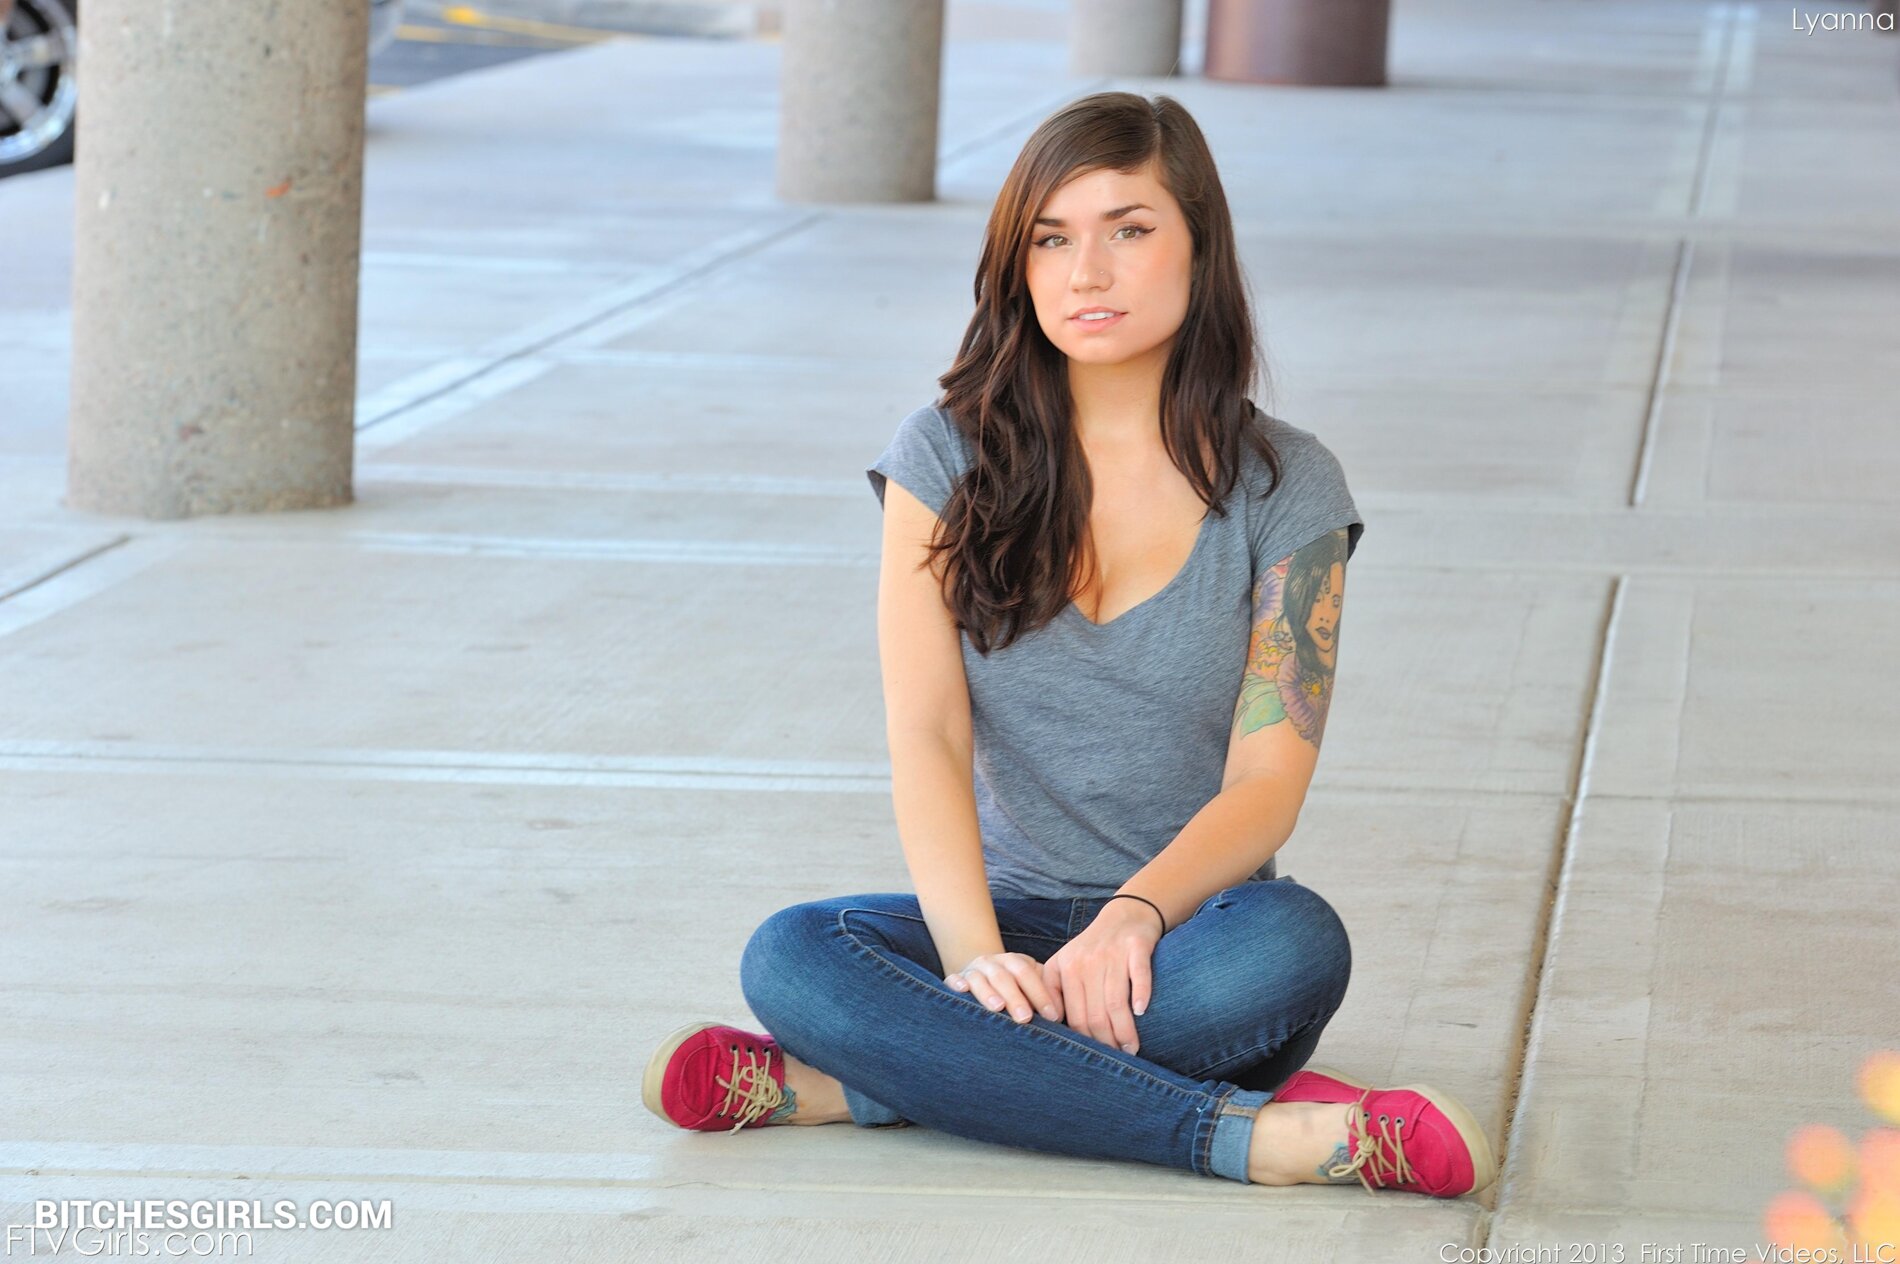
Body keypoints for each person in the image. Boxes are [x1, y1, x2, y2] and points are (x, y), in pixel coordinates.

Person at [642, 91, 1497, 1199]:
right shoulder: (945, 456)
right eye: (1051, 239)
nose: (1086, 271)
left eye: (1128, 229)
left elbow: (1266, 783)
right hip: (997, 922)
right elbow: (928, 732)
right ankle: (1250, 1136)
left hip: (1187, 941)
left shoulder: (1287, 485)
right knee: (791, 955)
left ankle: (863, 1084)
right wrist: (970, 959)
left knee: (1294, 946)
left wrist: (1131, 920)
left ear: (1199, 246)